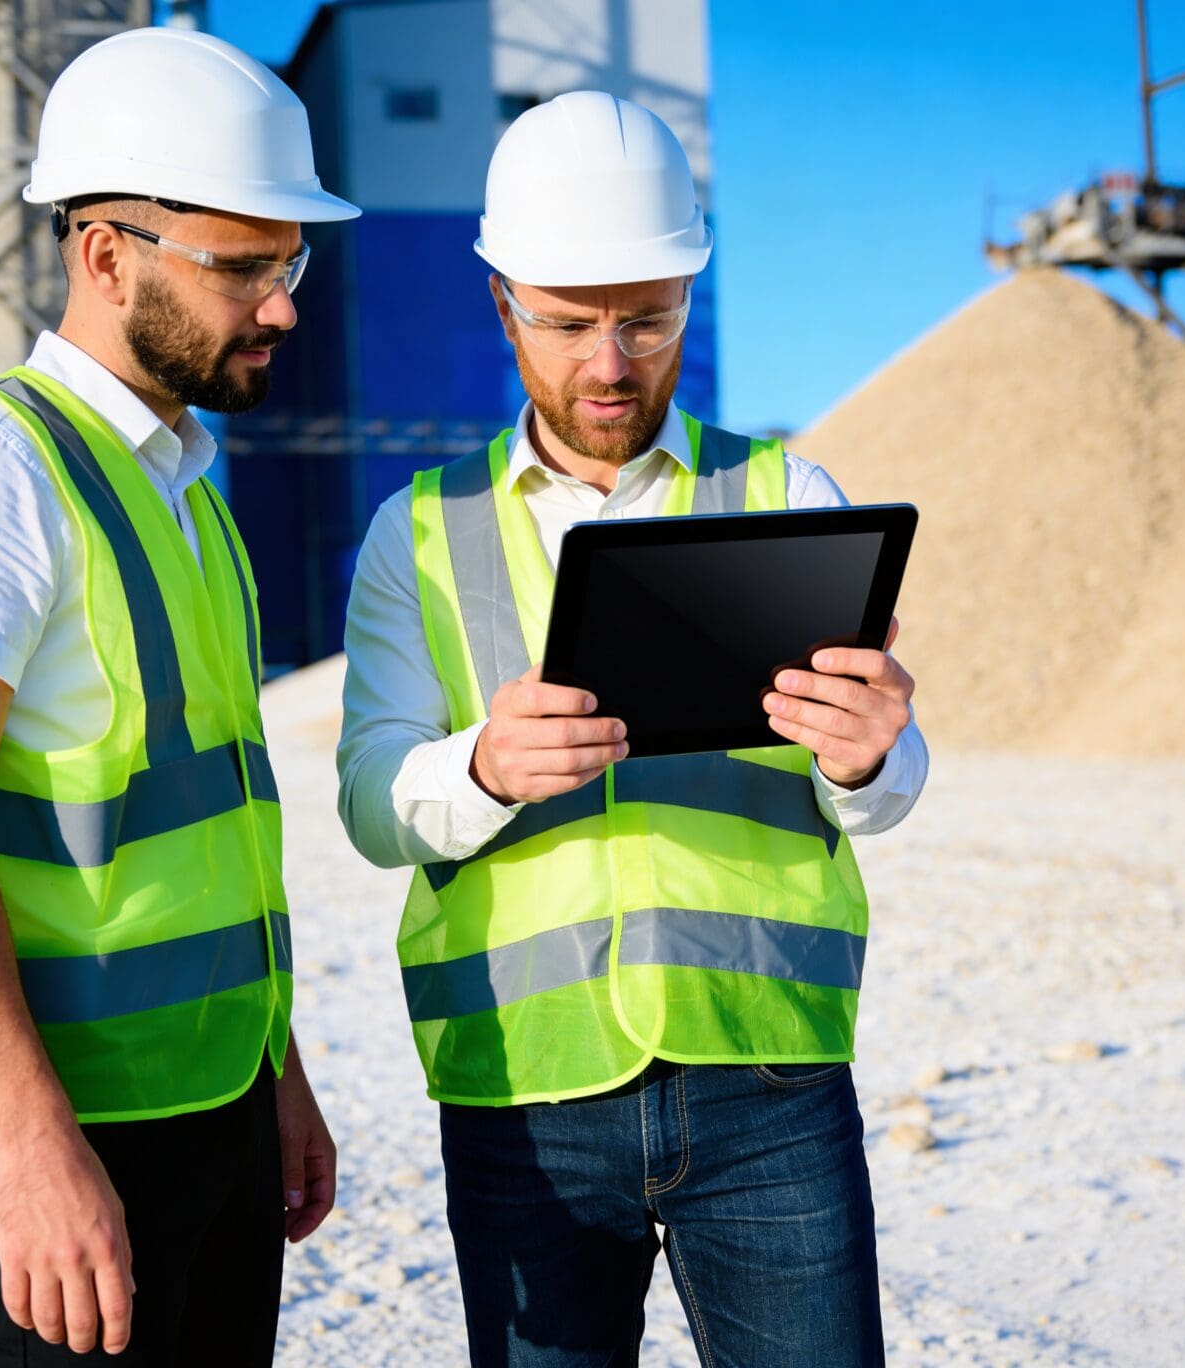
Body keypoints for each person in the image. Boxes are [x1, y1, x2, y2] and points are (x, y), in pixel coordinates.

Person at [336, 91, 926, 1366]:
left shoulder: (786, 495)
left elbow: (874, 785)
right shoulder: (418, 535)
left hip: (769, 1079)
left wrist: (871, 750)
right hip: (522, 1095)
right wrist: (483, 768)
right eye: (567, 324)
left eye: (647, 320)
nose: (611, 363)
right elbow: (370, 801)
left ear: (686, 295)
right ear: (501, 302)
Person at [0, 28, 357, 1364]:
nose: (284, 305)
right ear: (107, 255)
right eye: (244, 268)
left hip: (216, 1106)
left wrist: (277, 1079)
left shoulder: (184, 492)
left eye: (288, 264)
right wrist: (32, 1148)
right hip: (68, 1136)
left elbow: (211, 845)